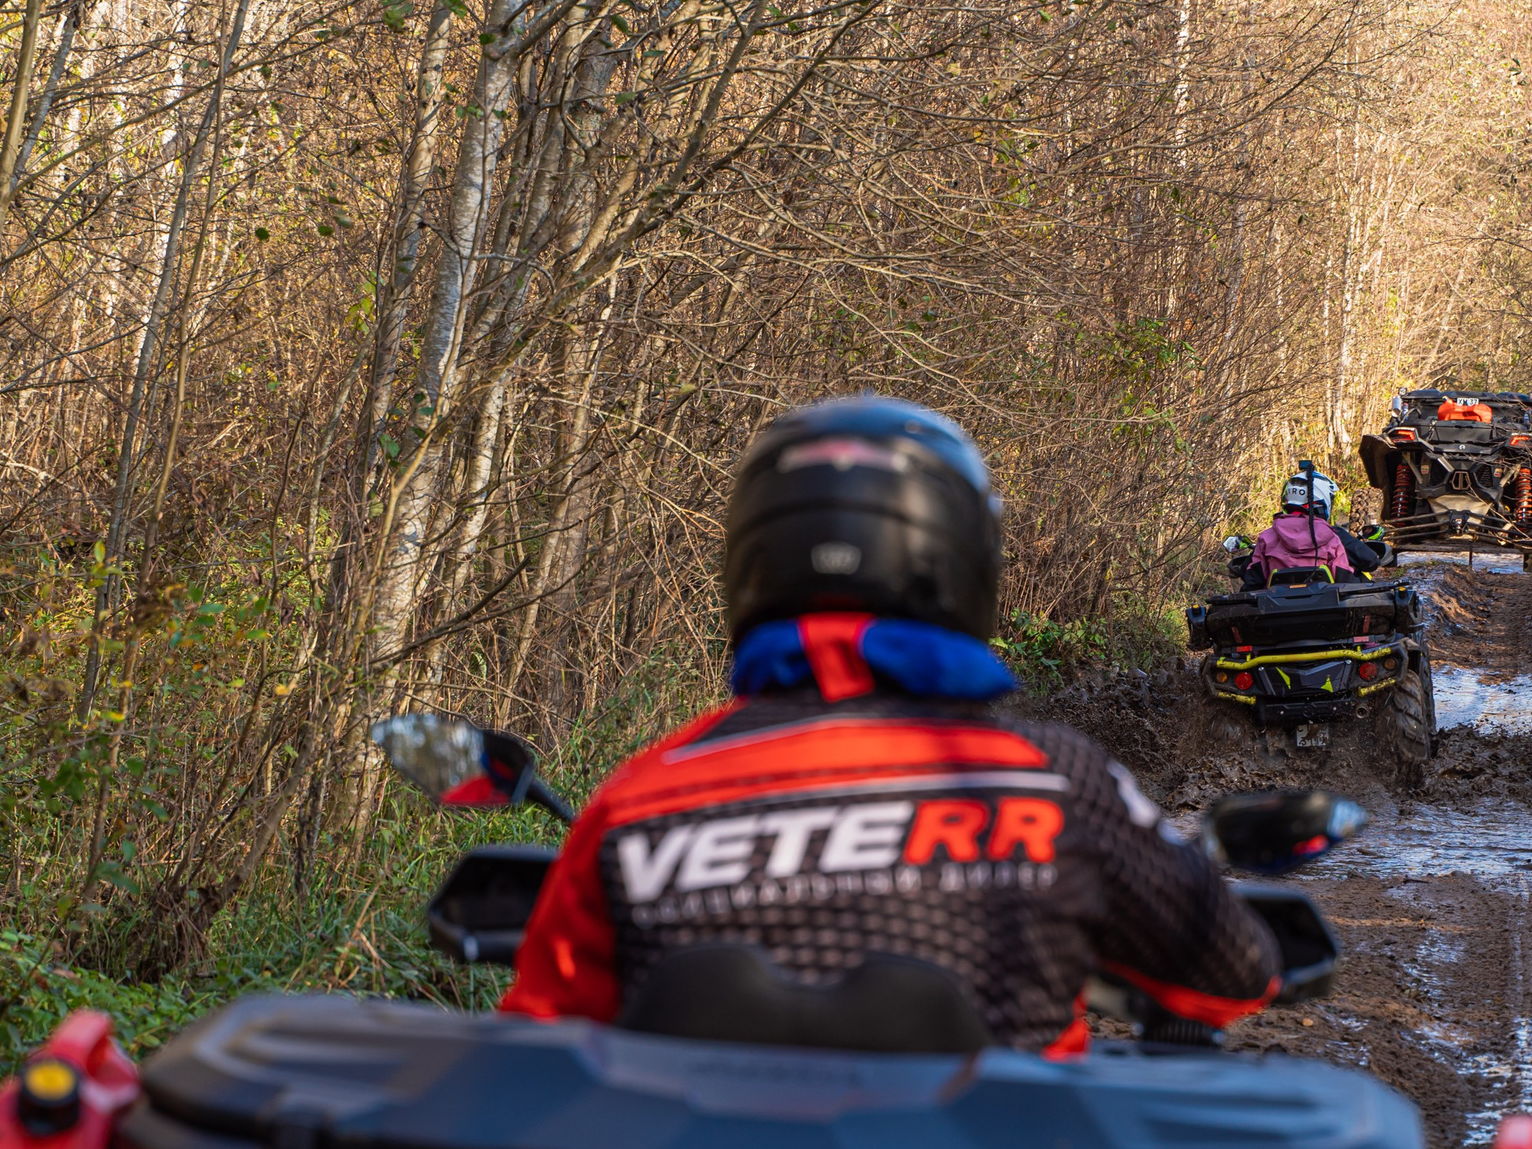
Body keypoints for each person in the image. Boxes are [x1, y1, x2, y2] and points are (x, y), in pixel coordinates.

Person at [500, 394, 1280, 1053]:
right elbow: (1232, 977)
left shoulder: (637, 799)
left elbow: (540, 1054)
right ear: (962, 561)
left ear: (753, 564)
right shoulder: (1054, 781)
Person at [1241, 461, 1354, 586]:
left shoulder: (1266, 538)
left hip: (1277, 603)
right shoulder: (1331, 538)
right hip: (1324, 602)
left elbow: (1253, 579)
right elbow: (1344, 578)